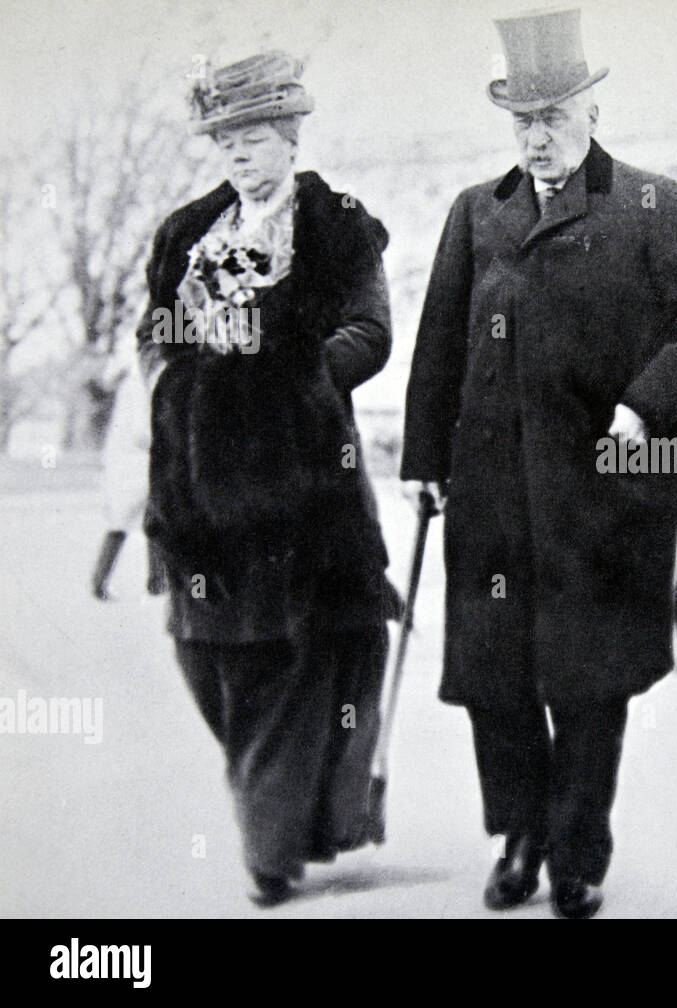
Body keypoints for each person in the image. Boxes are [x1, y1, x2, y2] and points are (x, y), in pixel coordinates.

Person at [400, 8, 677, 918]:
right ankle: (521, 834)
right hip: (492, 494)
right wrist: (425, 459)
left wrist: (641, 404)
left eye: (553, 117)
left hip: (601, 492)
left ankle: (578, 851)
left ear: (593, 110)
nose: (537, 137)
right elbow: (438, 346)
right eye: (522, 122)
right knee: (495, 680)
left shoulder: (651, 205)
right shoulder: (477, 212)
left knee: (590, 682)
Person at [136, 51, 397, 906]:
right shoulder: (185, 234)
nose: (237, 158)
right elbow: (158, 335)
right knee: (207, 653)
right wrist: (181, 380)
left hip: (304, 485)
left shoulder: (337, 228)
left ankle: (271, 846)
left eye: (251, 140)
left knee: (295, 658)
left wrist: (293, 385)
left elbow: (369, 331)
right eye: (226, 144)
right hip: (197, 489)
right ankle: (277, 813)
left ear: (289, 139)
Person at [92, 348, 166, 600]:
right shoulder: (136, 387)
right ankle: (155, 581)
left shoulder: (133, 385)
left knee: (128, 522)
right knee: (146, 521)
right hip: (134, 464)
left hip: (128, 464)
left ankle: (104, 582)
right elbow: (140, 431)